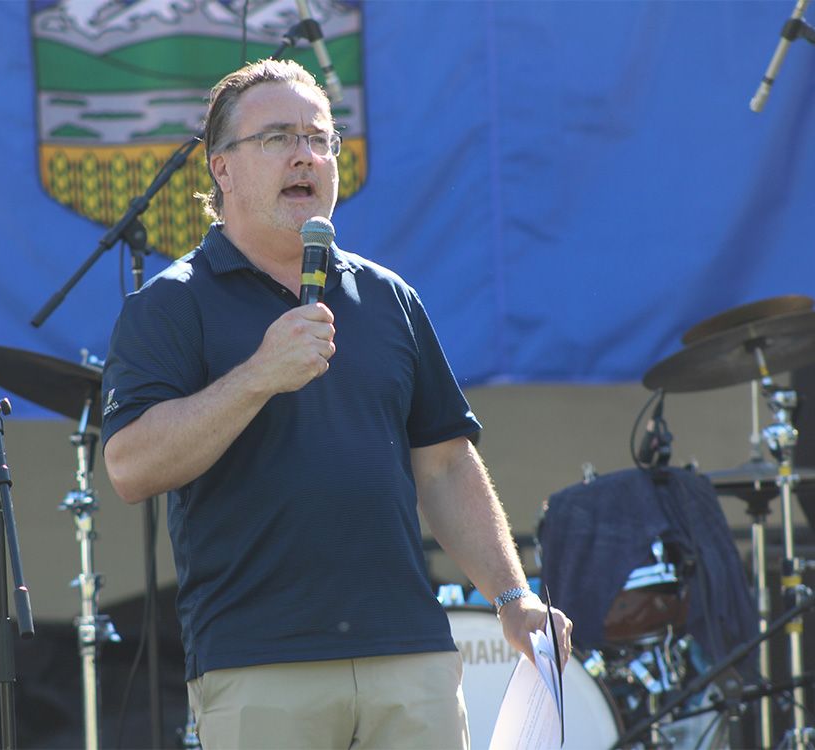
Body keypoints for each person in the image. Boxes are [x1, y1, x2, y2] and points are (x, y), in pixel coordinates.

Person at [101, 58, 572, 749]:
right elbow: (130, 465)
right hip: (260, 662)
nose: (305, 155)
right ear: (220, 167)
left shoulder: (387, 299)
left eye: (320, 139)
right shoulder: (172, 305)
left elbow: (443, 466)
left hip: (409, 655)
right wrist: (258, 375)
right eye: (277, 138)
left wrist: (512, 597)